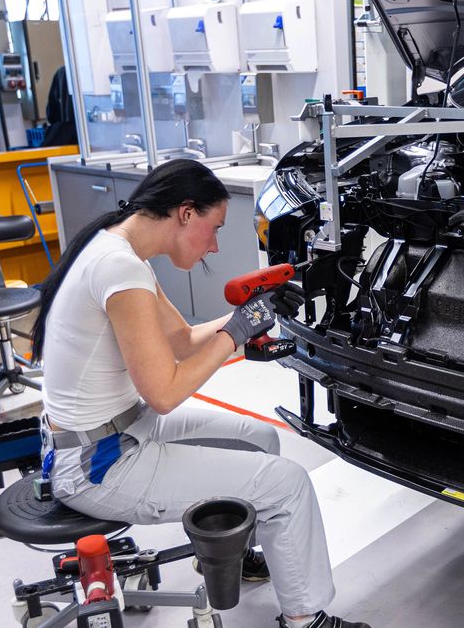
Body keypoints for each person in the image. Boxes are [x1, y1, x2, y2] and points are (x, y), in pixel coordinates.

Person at [30, 159, 368, 628]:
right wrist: (235, 334)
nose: (213, 244)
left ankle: (237, 557)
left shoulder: (119, 251)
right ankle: (304, 619)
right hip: (98, 465)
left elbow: (181, 339)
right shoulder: (119, 270)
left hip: (120, 430)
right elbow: (165, 392)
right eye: (214, 229)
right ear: (185, 213)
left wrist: (252, 318)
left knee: (261, 440)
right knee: (288, 484)